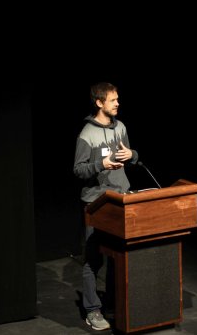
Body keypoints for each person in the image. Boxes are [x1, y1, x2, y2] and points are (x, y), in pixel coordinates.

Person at [73, 82, 138, 331]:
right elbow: (78, 170)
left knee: (116, 257)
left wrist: (131, 155)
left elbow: (132, 155)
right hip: (96, 203)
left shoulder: (120, 127)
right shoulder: (86, 134)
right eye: (113, 100)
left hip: (120, 199)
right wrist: (102, 163)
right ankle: (92, 309)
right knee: (93, 259)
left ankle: (111, 303)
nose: (118, 103)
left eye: (118, 99)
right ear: (99, 103)